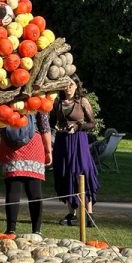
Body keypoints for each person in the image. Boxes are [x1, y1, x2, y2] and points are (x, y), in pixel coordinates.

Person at [52, 76, 101, 227]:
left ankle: (89, 214)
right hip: (63, 142)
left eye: (71, 84)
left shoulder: (83, 102)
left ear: (76, 86)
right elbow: (51, 122)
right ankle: (71, 213)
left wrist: (78, 126)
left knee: (82, 172)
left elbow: (92, 123)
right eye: (65, 85)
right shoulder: (57, 103)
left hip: (79, 142)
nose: (68, 87)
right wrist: (57, 128)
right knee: (66, 173)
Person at [0, 111, 52, 236]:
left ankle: (11, 229)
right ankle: (36, 230)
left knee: (12, 190)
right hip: (33, 145)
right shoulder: (38, 99)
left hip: (9, 146)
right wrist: (48, 150)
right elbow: (44, 126)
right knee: (35, 191)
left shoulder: (6, 97)